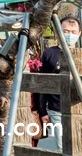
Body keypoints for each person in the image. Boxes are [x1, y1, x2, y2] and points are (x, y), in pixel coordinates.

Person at [34, 14, 81, 150]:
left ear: (79, 33)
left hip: (79, 105)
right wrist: (42, 111)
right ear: (59, 32)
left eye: (73, 32)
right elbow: (42, 83)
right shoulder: (49, 53)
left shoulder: (80, 52)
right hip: (56, 108)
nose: (69, 35)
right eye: (65, 31)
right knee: (64, 147)